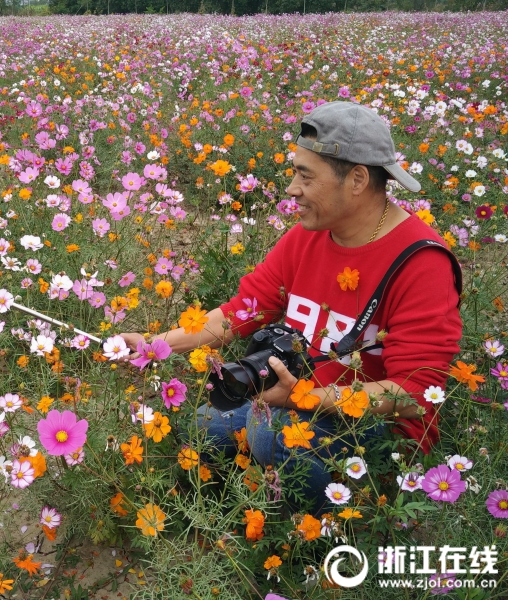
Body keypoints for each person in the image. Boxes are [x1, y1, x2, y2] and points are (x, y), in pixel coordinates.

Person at [121, 101, 462, 506]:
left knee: (269, 431)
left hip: (372, 428)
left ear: (356, 179)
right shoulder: (311, 234)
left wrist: (306, 398)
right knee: (203, 425)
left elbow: (414, 395)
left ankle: (352, 518)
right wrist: (154, 345)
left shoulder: (421, 263)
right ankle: (273, 494)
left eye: (305, 175)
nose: (292, 189)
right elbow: (244, 310)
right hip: (298, 399)